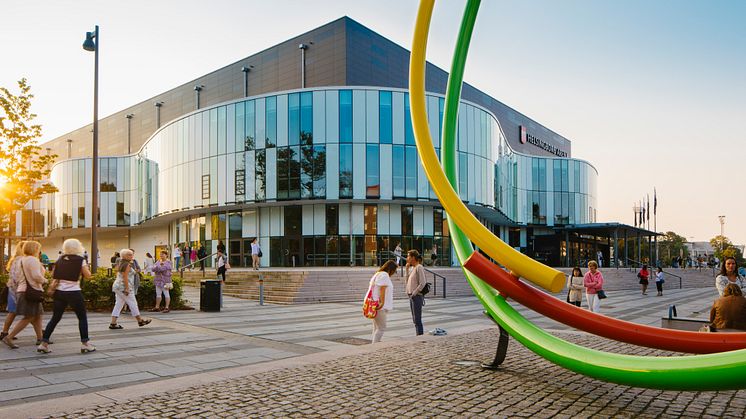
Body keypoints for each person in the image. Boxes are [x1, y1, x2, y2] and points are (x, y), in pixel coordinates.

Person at [38, 239, 95, 354]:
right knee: (82, 317)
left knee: (55, 318)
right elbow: (88, 275)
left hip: (59, 292)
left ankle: (43, 343)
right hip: (74, 292)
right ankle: (85, 344)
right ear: (78, 247)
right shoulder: (80, 260)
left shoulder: (60, 259)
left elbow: (54, 275)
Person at [2, 241, 47, 349]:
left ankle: (41, 339)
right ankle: (9, 337)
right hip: (31, 292)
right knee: (29, 317)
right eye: (38, 248)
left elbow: (17, 277)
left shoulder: (21, 260)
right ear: (34, 249)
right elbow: (36, 276)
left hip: (23, 290)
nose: (39, 251)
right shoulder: (32, 260)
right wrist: (44, 280)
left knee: (37, 315)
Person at [109, 249, 151, 330]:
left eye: (132, 254)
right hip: (124, 287)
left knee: (118, 304)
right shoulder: (127, 264)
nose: (132, 256)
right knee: (133, 303)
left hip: (117, 286)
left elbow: (120, 273)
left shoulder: (121, 263)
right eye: (129, 255)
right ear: (124, 256)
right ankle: (140, 321)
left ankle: (113, 323)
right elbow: (125, 277)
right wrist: (127, 288)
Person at [1, 241, 26, 342]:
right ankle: (41, 335)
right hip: (18, 289)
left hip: (12, 289)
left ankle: (5, 332)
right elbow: (20, 276)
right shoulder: (22, 260)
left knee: (13, 312)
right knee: (31, 313)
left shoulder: (14, 260)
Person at [367, 260, 397, 343]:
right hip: (379, 306)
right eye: (395, 270)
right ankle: (374, 346)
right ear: (391, 269)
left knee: (376, 327)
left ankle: (373, 345)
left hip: (374, 303)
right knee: (381, 328)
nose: (394, 273)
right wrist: (382, 303)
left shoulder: (378, 274)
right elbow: (382, 289)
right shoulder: (384, 275)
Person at [406, 250, 427, 335]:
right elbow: (407, 282)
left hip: (417, 296)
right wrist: (407, 270)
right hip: (411, 296)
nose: (407, 258)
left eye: (408, 256)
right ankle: (418, 335)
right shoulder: (412, 268)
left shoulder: (419, 267)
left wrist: (414, 293)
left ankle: (420, 336)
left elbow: (423, 283)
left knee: (417, 319)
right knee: (415, 319)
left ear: (413, 258)